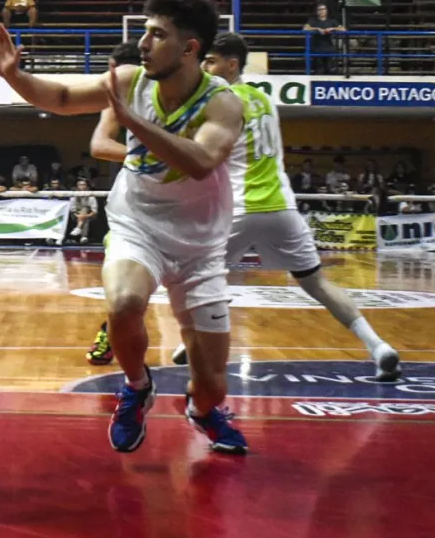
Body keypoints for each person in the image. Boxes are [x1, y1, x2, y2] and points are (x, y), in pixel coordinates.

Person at [0, 0, 248, 455]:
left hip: (199, 243)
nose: (143, 43)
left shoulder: (223, 103)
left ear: (189, 49)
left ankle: (204, 411)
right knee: (124, 302)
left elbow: (203, 161)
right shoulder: (130, 79)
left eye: (157, 35)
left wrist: (134, 122)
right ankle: (137, 384)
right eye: (144, 32)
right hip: (137, 222)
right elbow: (63, 96)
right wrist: (15, 76)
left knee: (213, 384)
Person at [165, 33, 400, 381]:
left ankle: (197, 340)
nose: (206, 68)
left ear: (232, 65)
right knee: (317, 282)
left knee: (193, 279)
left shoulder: (219, 101)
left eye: (212, 61)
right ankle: (378, 345)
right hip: (282, 208)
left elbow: (198, 154)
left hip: (241, 209)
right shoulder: (264, 99)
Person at [86, 40, 144, 365]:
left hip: (183, 203)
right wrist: (150, 157)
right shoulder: (116, 98)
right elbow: (99, 144)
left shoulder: (185, 96)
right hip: (133, 205)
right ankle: (111, 330)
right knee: (125, 287)